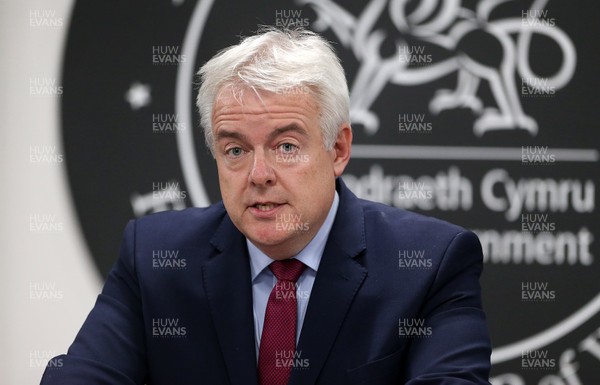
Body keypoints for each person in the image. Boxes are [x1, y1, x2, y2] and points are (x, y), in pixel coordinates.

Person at [41, 27, 491, 384]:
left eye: (286, 146)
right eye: (235, 150)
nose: (259, 175)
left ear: (338, 149)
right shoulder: (155, 258)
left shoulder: (429, 264)